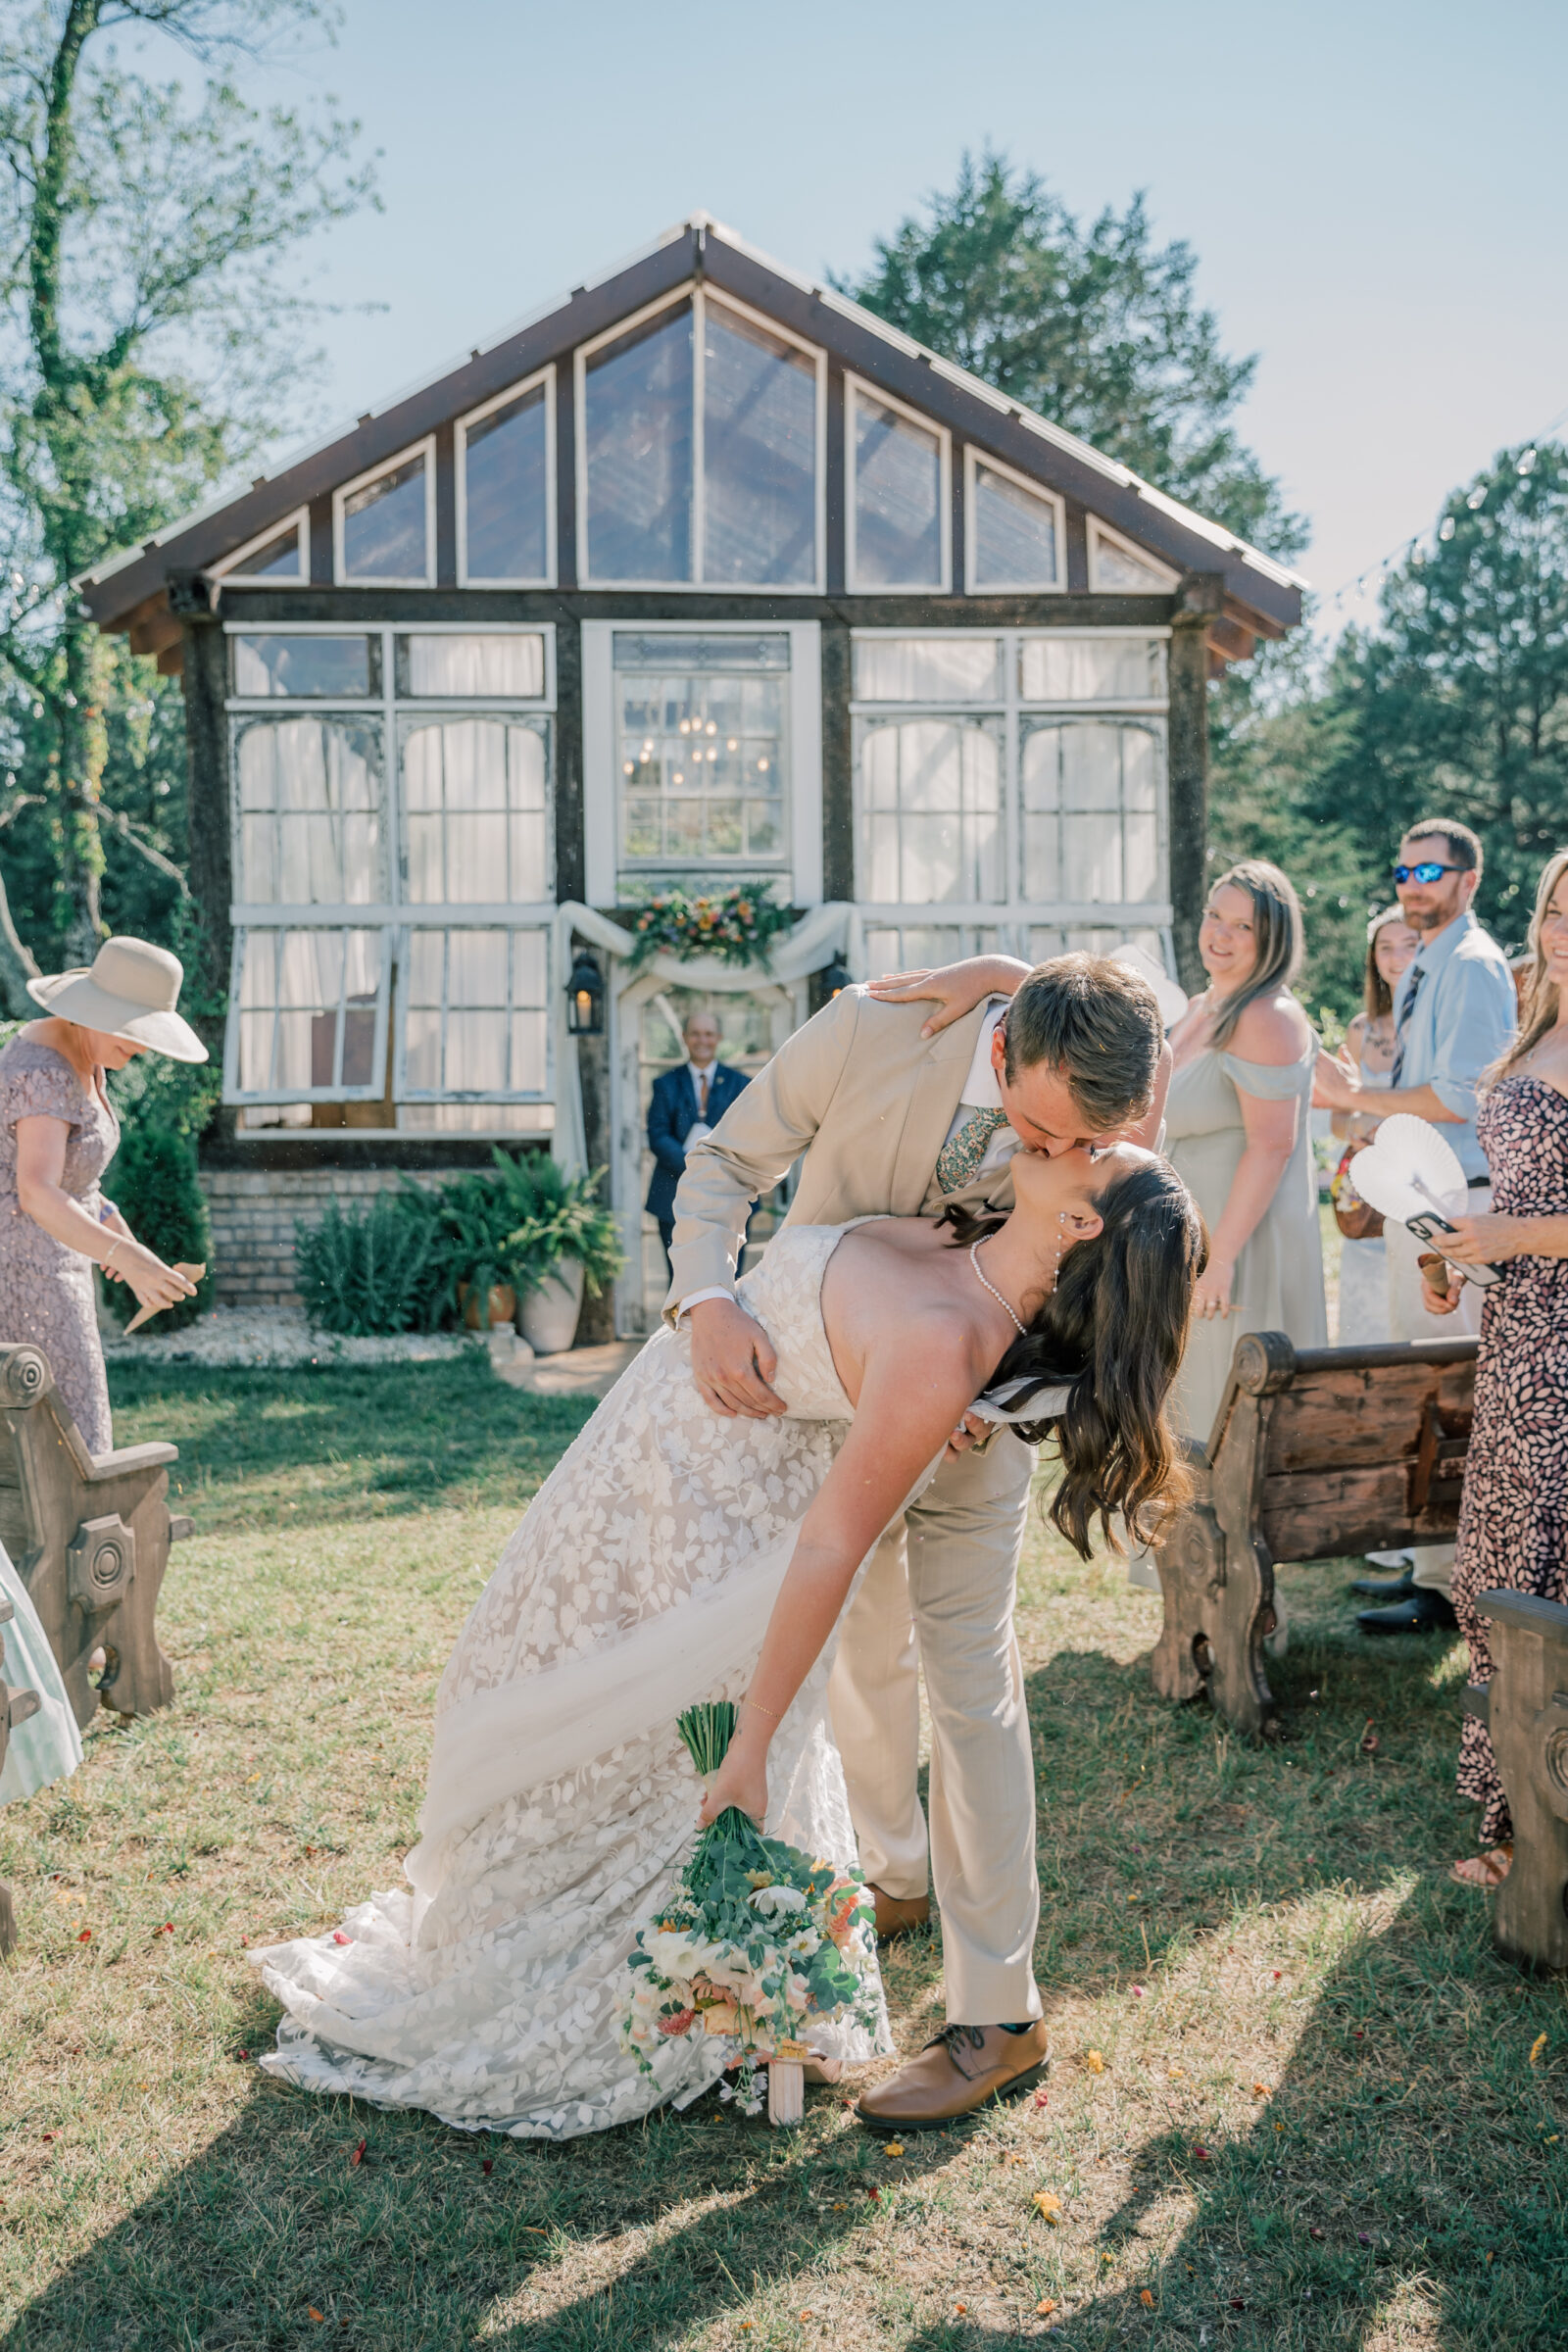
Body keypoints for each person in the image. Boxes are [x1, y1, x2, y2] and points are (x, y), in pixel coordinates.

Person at [252, 1138, 1205, 2140]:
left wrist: (750, 1743)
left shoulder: (946, 1343)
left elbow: (831, 1545)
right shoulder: (951, 1229)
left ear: (1082, 1221)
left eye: (1095, 1149)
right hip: (633, 1467)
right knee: (524, 1708)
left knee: (601, 1757)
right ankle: (520, 1943)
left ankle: (633, 1995)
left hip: (701, 1539)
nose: (1073, 1133)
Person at [668, 953, 1171, 2129]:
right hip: (835, 1384)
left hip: (982, 1421)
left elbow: (1103, 1271)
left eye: (1087, 1140)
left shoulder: (1107, 1085)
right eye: (1044, 1131)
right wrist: (706, 1299)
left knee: (971, 1682)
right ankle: (891, 1877)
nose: (1054, 1159)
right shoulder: (867, 1032)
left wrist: (980, 1397)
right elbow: (721, 1161)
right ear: (1002, 1050)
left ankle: (999, 2012)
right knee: (862, 1645)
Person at [1313, 820, 1517, 1632]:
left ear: (1469, 879)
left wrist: (1353, 1102)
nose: (1411, 882)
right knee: (1430, 1389)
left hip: (1460, 1202)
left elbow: (1459, 1099)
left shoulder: (1470, 965)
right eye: (1402, 868)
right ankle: (1434, 1577)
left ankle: (1461, 1589)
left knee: (1458, 1394)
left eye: (1429, 868)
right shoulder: (1425, 966)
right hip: (1418, 1199)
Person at [1417, 851, 1568, 1889]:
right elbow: (1504, 1206)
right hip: (1514, 1334)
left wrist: (1509, 1231)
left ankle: (1542, 1828)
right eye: (1558, 908)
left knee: (1551, 1576)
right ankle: (1507, 1810)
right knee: (1495, 1570)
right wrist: (1448, 1258)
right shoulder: (1528, 1031)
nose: (1564, 926)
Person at [0, 936, 205, 1452]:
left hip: (56, 1269)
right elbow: (36, 1192)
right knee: (68, 1446)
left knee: (66, 1444)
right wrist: (126, 1258)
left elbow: (76, 1179)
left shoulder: (84, 1052)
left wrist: (117, 1232)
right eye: (134, 1033)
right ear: (95, 1011)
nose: (140, 1049)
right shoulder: (43, 1073)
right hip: (22, 1279)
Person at [1161, 861, 1327, 1448]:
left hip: (1238, 1249)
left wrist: (1221, 1259)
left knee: (1220, 1424)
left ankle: (1218, 1541)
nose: (1220, 935)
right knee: (1176, 1415)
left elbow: (1272, 1145)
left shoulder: (1266, 1017)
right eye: (1214, 916)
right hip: (1183, 1241)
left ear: (1273, 939)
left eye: (1242, 927)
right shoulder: (1200, 1006)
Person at [1333, 906, 1421, 1347]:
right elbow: (1336, 1116)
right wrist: (1357, 1128)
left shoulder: (1434, 1026)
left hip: (1420, 1185)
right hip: (1368, 1195)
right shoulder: (1360, 1030)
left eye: (1409, 944)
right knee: (1365, 1324)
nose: (1396, 956)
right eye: (1385, 947)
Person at [645, 1010, 750, 1274]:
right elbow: (657, 1135)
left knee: (728, 1278)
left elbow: (746, 1134)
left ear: (719, 1038)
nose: (702, 1040)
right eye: (695, 1033)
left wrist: (716, 1169)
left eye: (708, 1034)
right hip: (674, 1195)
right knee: (681, 1278)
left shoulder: (741, 1084)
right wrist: (694, 1167)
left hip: (728, 1196)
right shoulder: (665, 1084)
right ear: (684, 1037)